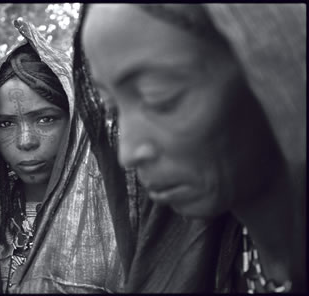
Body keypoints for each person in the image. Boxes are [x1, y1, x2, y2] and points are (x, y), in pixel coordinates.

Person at [74, 3, 306, 293]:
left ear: (271, 73)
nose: (128, 153)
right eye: (111, 110)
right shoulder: (178, 262)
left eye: (159, 96)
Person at [0, 20, 123, 293]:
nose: (26, 141)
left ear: (76, 121)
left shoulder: (116, 207)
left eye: (46, 119)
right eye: (5, 123)